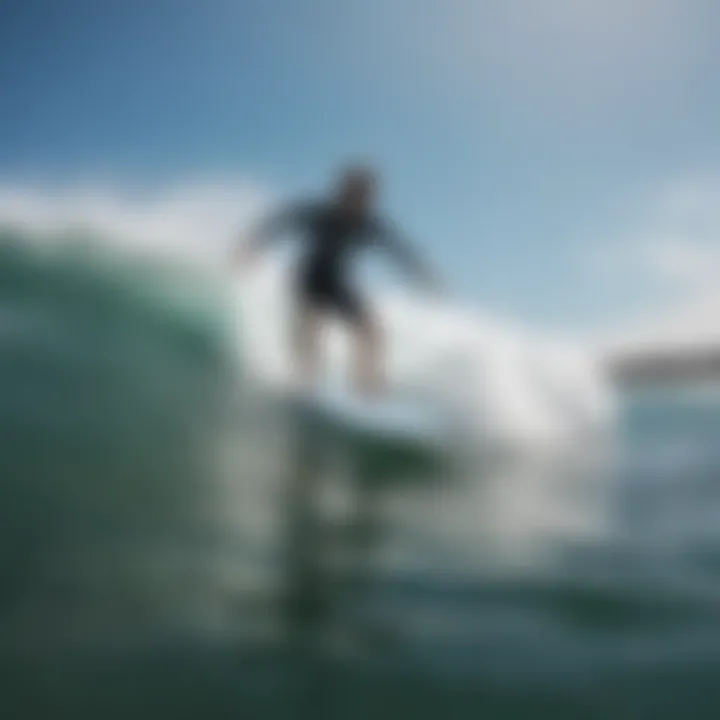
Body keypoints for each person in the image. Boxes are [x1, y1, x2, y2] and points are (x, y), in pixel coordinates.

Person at [234, 164, 440, 398]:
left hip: (336, 282)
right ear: (343, 192)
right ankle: (300, 380)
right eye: (355, 193)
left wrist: (422, 275)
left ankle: (365, 379)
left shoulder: (368, 224)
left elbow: (398, 250)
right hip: (309, 278)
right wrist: (250, 246)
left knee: (372, 331)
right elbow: (281, 223)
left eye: (366, 196)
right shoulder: (321, 214)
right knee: (310, 334)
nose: (361, 201)